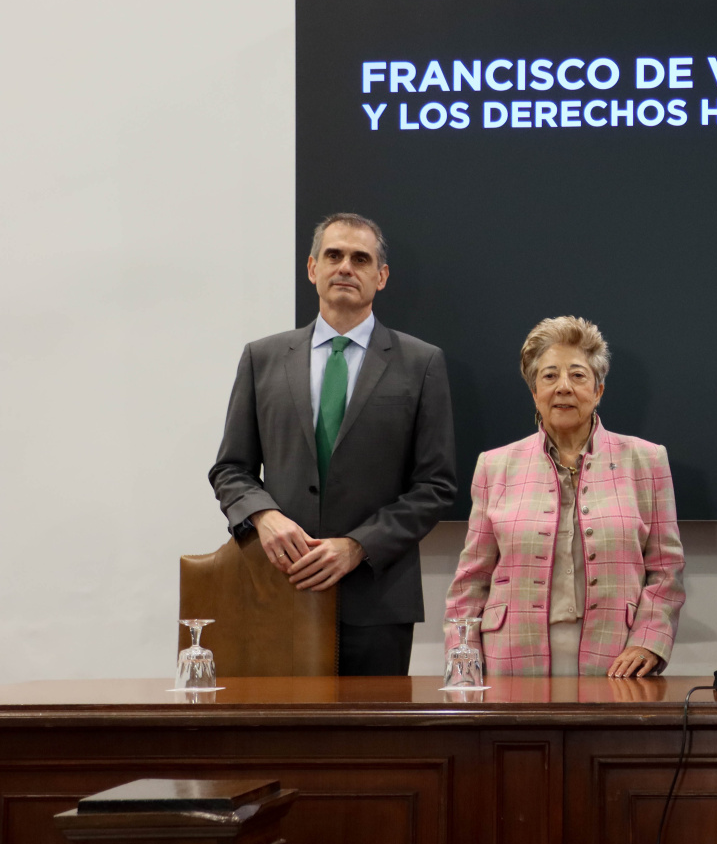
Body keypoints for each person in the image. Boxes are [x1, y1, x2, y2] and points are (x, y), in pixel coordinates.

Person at [210, 213, 456, 676]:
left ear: (380, 277)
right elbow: (230, 469)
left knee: (372, 745)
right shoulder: (261, 359)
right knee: (281, 745)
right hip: (278, 588)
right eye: (334, 255)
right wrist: (264, 516)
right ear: (312, 268)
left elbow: (436, 487)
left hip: (378, 597)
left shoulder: (421, 363)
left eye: (360, 258)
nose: (346, 266)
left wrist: (357, 546)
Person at [444, 316, 684, 676]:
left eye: (578, 375)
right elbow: (470, 581)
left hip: (617, 661)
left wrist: (649, 639)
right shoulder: (495, 466)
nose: (563, 387)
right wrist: (463, 664)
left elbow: (666, 571)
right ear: (534, 392)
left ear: (599, 390)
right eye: (550, 376)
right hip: (510, 662)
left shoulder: (647, 461)